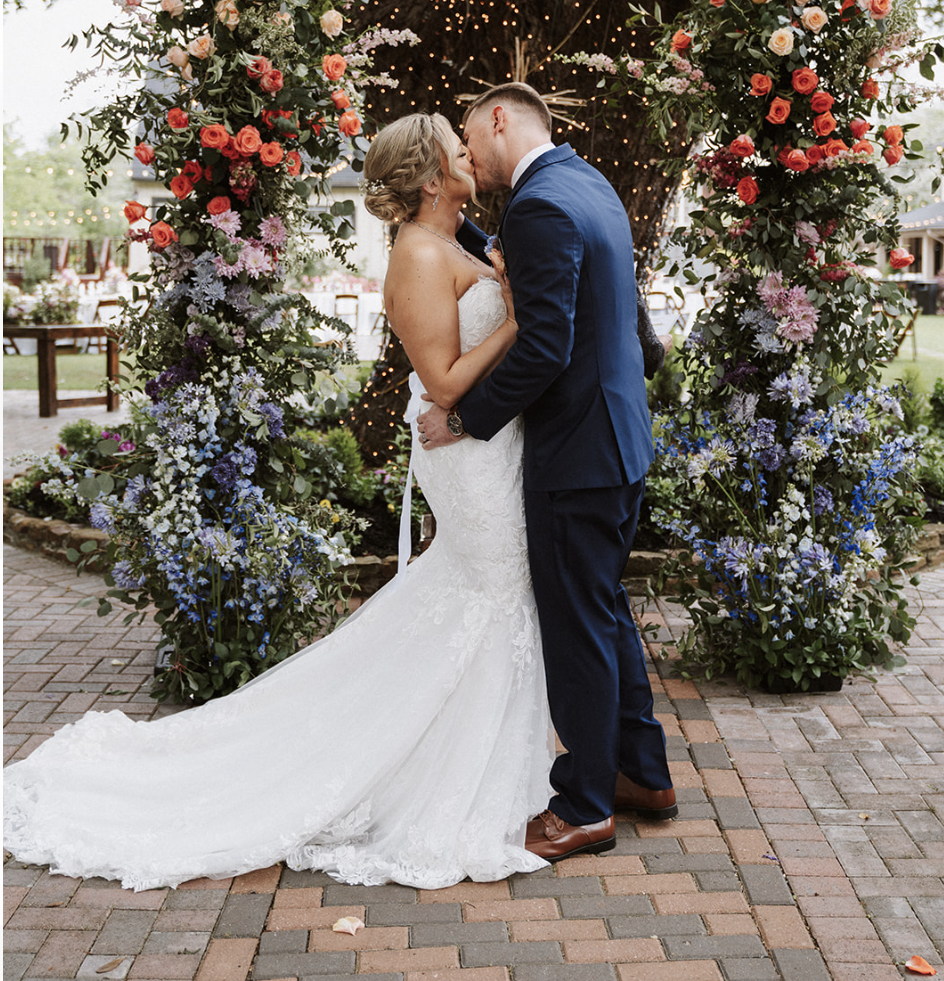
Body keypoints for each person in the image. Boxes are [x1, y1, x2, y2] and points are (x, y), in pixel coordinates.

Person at [3, 112, 556, 892]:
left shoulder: (457, 239)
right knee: (494, 595)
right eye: (454, 146)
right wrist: (519, 322)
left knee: (485, 598)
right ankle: (446, 780)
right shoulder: (417, 254)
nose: (470, 152)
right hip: (465, 454)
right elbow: (441, 382)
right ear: (432, 177)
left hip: (492, 451)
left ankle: (466, 762)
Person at [418, 83, 677, 863]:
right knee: (602, 609)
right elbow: (626, 316)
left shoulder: (539, 207)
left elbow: (543, 347)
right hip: (619, 439)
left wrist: (464, 419)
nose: (470, 157)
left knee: (575, 624)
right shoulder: (586, 183)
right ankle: (643, 774)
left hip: (576, 452)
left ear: (500, 118)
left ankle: (585, 805)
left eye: (470, 138)